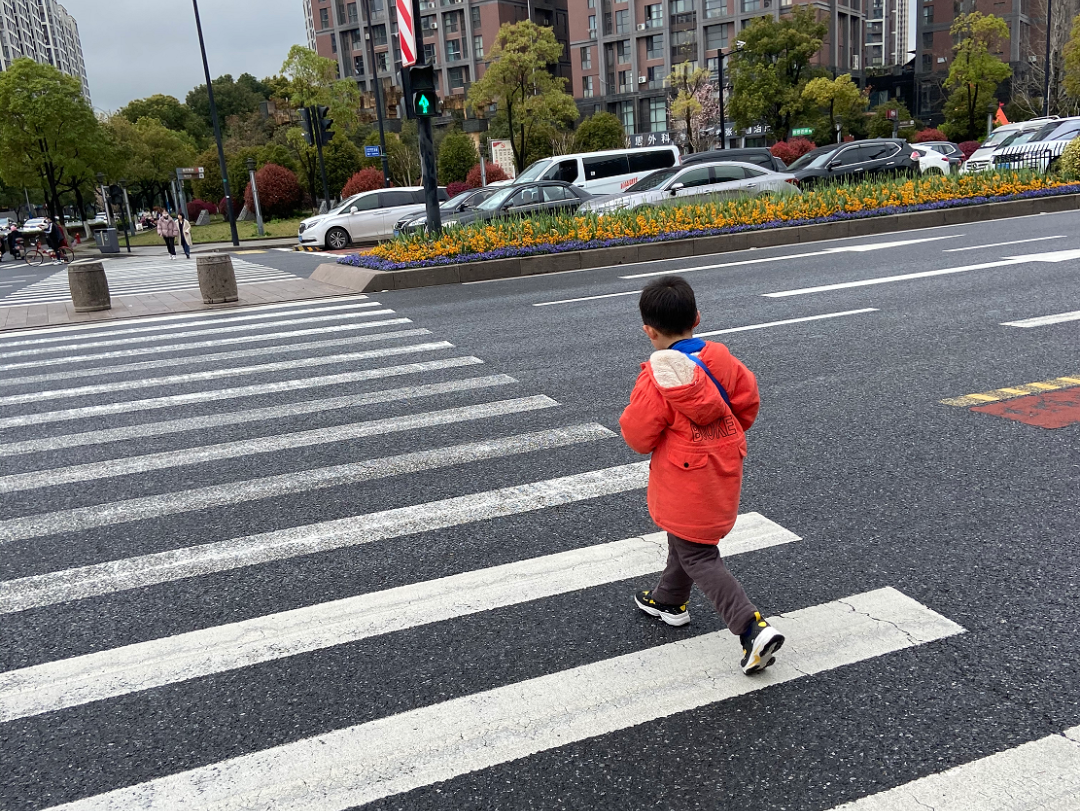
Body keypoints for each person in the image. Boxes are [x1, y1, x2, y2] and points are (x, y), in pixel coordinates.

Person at [619, 275, 785, 675]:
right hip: (723, 464)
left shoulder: (657, 378)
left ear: (649, 331)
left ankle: (750, 627)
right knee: (687, 538)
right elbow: (747, 403)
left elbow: (639, 435)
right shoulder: (722, 359)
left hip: (683, 475)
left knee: (697, 552)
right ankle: (668, 600)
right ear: (697, 317)